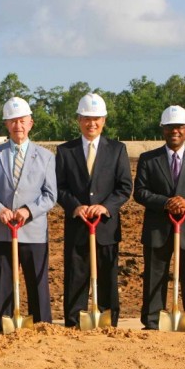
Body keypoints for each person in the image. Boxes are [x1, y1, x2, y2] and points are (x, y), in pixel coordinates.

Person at [133, 106, 185, 330]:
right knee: (154, 276)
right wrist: (165, 203)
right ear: (163, 129)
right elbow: (140, 192)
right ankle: (152, 322)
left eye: (179, 127)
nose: (175, 131)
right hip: (157, 228)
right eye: (170, 127)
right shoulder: (148, 159)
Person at [0, 97, 56, 332]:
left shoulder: (45, 156)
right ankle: (1, 329)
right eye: (12, 122)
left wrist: (28, 210)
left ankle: (42, 328)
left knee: (37, 284)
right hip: (2, 230)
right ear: (6, 125)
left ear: (31, 123)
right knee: (3, 284)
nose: (18, 126)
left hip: (32, 231)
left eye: (22, 121)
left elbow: (50, 195)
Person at [55, 93, 133, 328]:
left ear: (104, 120)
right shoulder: (65, 151)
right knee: (76, 275)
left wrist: (106, 207)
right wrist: (75, 206)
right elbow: (59, 187)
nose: (92, 123)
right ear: (78, 120)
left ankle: (109, 320)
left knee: (108, 276)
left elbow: (124, 187)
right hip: (78, 225)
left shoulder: (117, 149)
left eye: (97, 118)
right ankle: (74, 320)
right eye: (87, 118)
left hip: (106, 227)